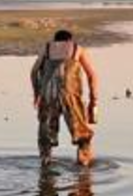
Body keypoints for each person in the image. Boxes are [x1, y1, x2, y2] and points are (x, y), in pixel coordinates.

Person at [30, 28, 100, 166]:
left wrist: (37, 93)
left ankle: (46, 162)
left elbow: (34, 72)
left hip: (48, 95)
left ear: (55, 40)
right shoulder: (77, 49)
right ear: (70, 40)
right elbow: (92, 76)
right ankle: (84, 165)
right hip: (71, 95)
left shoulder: (47, 48)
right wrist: (93, 100)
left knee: (46, 133)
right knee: (82, 134)